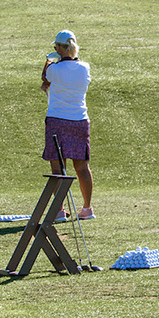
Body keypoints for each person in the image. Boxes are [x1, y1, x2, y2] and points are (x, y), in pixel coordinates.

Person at [41, 30, 94, 218]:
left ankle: (59, 210)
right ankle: (87, 208)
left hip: (57, 120)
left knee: (58, 168)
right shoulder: (85, 68)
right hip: (79, 121)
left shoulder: (54, 69)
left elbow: (44, 79)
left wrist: (49, 60)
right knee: (82, 167)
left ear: (59, 48)